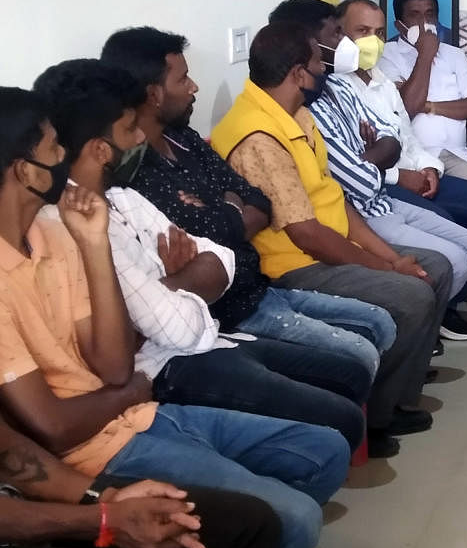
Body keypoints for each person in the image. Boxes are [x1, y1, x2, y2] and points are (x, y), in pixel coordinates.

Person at [0, 86, 350, 548]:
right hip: (92, 453)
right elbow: (53, 426)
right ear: (24, 170)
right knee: (294, 522)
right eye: (54, 149)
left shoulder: (57, 232)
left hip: (137, 414)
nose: (64, 161)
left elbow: (114, 365)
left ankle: (226, 545)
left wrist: (95, 246)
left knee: (323, 450)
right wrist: (131, 390)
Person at [33, 58, 377, 455]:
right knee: (342, 420)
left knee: (350, 373)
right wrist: (184, 280)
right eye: (130, 130)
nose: (139, 139)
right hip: (170, 365)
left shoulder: (124, 197)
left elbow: (220, 257)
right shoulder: (79, 224)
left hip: (211, 332)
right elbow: (179, 324)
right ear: (99, 149)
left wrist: (171, 288)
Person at [100, 25, 398, 387]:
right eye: (184, 79)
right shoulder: (135, 172)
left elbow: (257, 203)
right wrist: (232, 208)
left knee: (380, 323)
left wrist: (225, 208)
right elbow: (204, 233)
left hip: (255, 287)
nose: (194, 86)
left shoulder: (184, 140)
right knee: (360, 351)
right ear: (153, 94)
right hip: (225, 312)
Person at [210, 22, 451, 444]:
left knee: (437, 266)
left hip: (333, 243)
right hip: (294, 264)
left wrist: (392, 260)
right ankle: (374, 421)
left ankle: (400, 389)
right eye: (317, 60)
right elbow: (307, 234)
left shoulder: (295, 113)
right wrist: (387, 269)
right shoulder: (259, 135)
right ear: (298, 74)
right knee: (411, 294)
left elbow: (336, 199)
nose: (326, 65)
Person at [270, 0, 467, 340]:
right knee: (452, 259)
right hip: (364, 210)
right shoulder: (297, 111)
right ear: (309, 46)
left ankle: (430, 323)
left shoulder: (339, 85)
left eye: (378, 32)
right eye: (341, 33)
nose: (349, 42)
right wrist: (374, 156)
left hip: (387, 194)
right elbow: (359, 182)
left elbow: (394, 136)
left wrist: (387, 157)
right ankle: (426, 330)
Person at [0, 413, 280, 548]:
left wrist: (103, 497)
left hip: (22, 504)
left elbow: (7, 446)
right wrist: (103, 522)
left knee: (250, 524)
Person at [336, 0, 467, 302]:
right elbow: (407, 113)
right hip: (390, 179)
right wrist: (425, 56)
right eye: (362, 31)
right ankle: (442, 303)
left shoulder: (383, 79)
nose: (424, 24)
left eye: (376, 32)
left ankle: (464, 292)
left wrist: (428, 165)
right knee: (445, 220)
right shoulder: (373, 69)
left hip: (437, 158)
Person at [377, 0, 467, 186]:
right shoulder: (386, 55)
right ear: (399, 25)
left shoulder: (454, 55)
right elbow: (408, 108)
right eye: (415, 15)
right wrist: (425, 54)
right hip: (411, 158)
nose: (424, 22)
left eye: (430, 14)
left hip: (456, 155)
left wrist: (429, 106)